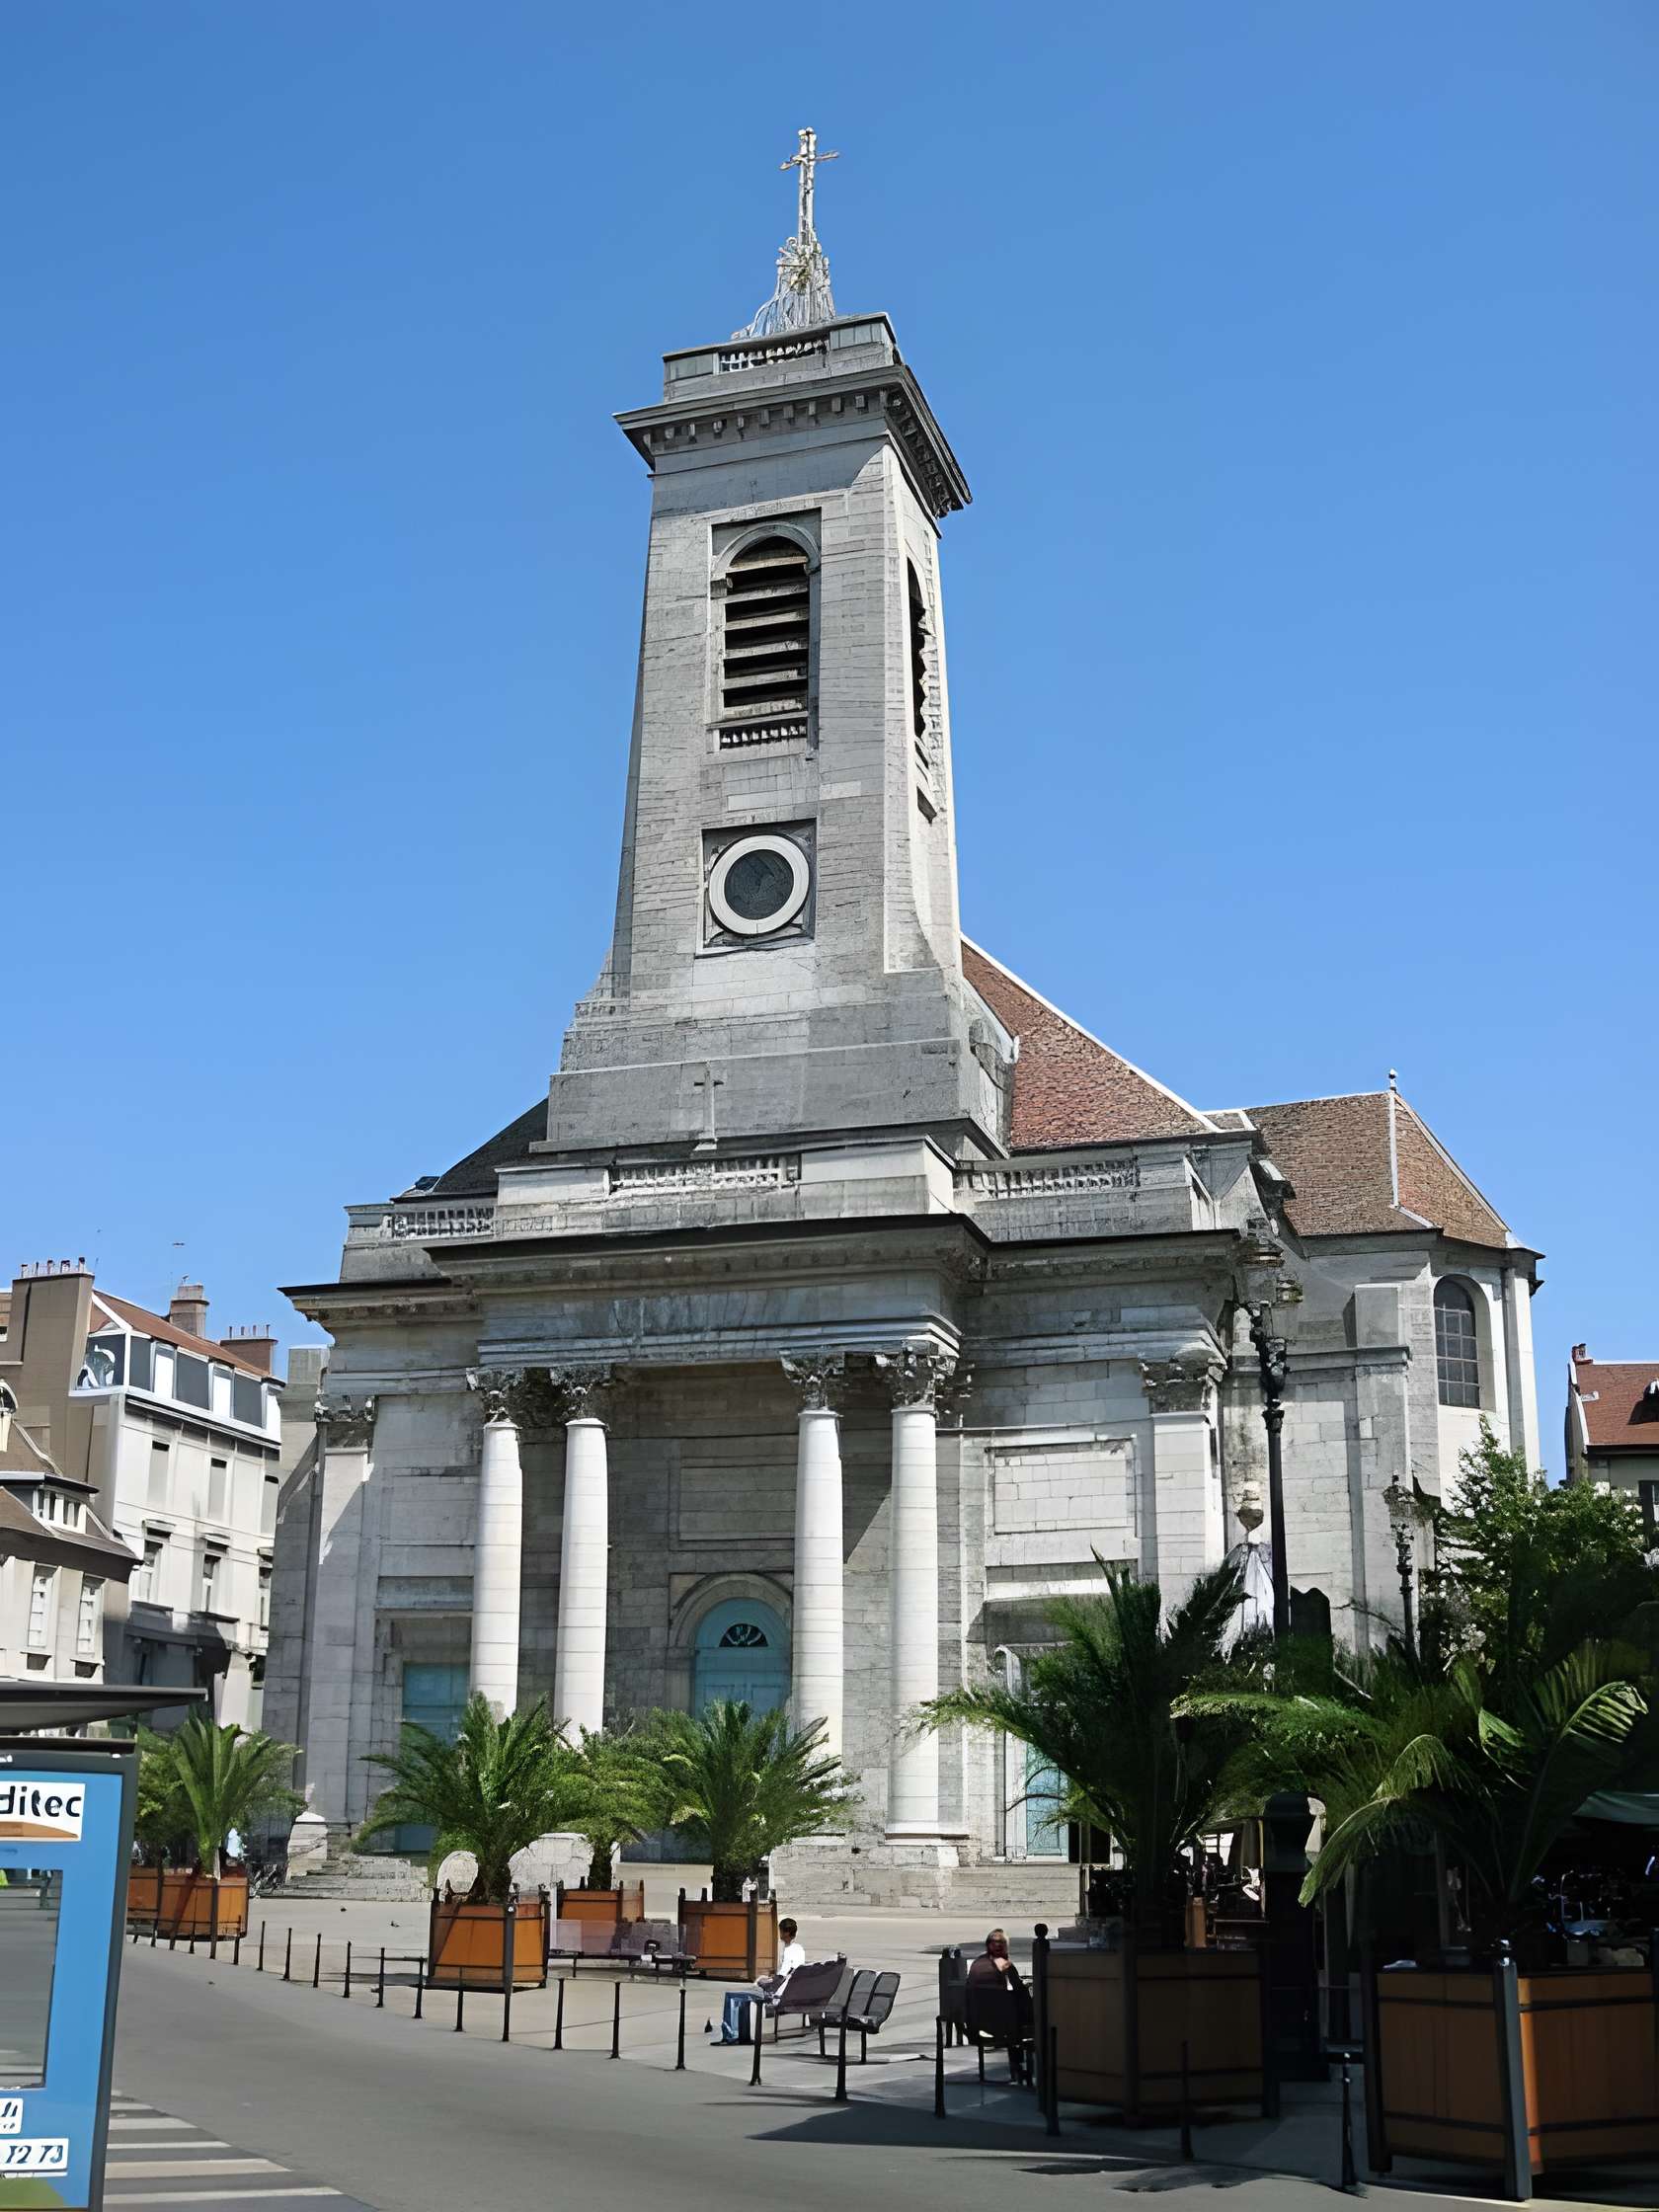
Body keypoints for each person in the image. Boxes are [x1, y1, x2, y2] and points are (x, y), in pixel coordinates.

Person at [714, 1916, 807, 2043]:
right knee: (748, 1993)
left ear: (785, 1933)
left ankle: (730, 2035)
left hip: (778, 1994)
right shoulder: (799, 1949)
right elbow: (790, 1973)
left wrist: (764, 1983)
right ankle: (739, 2034)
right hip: (791, 1991)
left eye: (780, 1931)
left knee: (732, 1996)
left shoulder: (789, 1951)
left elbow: (781, 1978)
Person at [964, 1929, 1033, 2080]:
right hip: (1002, 2026)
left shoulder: (977, 1963)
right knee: (1024, 2014)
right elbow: (1019, 1988)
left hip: (976, 2024)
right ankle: (1019, 2065)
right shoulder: (1002, 1963)